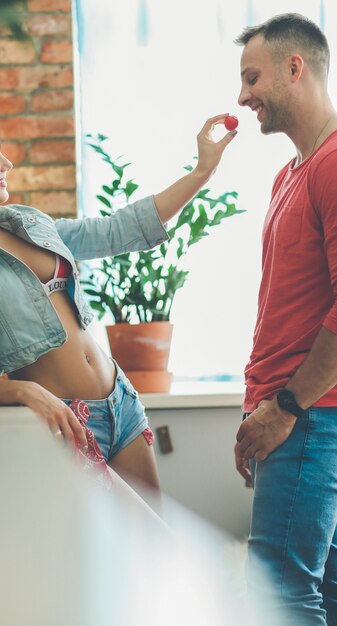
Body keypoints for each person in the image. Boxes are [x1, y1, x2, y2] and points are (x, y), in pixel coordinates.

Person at [0, 84, 236, 504]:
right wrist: (25, 391)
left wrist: (201, 173)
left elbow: (116, 231)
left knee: (149, 553)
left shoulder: (26, 221)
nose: (7, 163)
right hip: (62, 422)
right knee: (144, 549)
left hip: (119, 401)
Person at [234, 12, 337, 626]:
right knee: (315, 591)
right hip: (298, 416)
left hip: (311, 416)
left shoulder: (332, 164)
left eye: (252, 77)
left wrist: (287, 407)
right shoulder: (290, 174)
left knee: (280, 595)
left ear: (293, 68)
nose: (242, 95)